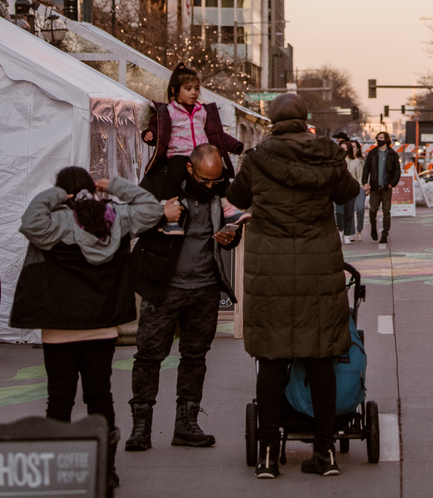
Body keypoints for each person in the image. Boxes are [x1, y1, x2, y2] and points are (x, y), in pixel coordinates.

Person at [226, 93, 361, 478]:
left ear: (272, 119)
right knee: (321, 359)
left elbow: (235, 198)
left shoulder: (257, 158)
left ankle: (268, 454)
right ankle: (325, 452)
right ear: (305, 119)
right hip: (318, 266)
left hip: (270, 269)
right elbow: (349, 193)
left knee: (271, 360)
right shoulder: (326, 154)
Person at [11, 166, 162, 494]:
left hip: (59, 329)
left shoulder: (56, 222)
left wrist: (56, 194)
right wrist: (118, 186)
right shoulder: (116, 218)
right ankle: (105, 470)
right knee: (100, 396)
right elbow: (153, 209)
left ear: (63, 192)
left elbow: (30, 220)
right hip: (103, 327)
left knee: (59, 400)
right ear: (93, 191)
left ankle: (57, 471)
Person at [127, 143, 246, 453]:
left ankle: (187, 423)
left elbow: (233, 226)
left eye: (215, 181)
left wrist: (231, 236)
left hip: (205, 288)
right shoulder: (160, 182)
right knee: (149, 355)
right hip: (164, 286)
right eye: (204, 180)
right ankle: (141, 425)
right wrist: (160, 213)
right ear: (190, 168)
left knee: (195, 356)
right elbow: (133, 222)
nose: (210, 186)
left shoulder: (222, 189)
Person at [140, 64, 244, 198]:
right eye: (188, 89)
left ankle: (227, 205)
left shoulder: (203, 111)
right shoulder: (168, 111)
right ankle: (169, 201)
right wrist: (151, 134)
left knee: (220, 173)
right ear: (175, 90)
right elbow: (160, 129)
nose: (194, 92)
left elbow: (215, 134)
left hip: (201, 155)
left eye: (196, 88)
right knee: (176, 172)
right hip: (179, 153)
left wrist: (234, 145)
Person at [362, 131, 402, 246]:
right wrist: (365, 182)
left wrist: (392, 183)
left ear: (386, 140)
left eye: (381, 138)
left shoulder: (392, 154)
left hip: (386, 188)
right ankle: (373, 228)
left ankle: (385, 233)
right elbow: (366, 169)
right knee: (372, 210)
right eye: (378, 138)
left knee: (386, 211)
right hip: (374, 187)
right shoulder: (373, 153)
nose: (379, 139)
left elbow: (397, 171)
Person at [341, 139, 366, 242]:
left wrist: (364, 186)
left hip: (358, 187)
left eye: (354, 147)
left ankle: (359, 230)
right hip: (346, 189)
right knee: (348, 211)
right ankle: (350, 232)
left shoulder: (359, 161)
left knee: (360, 208)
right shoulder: (340, 161)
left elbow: (361, 175)